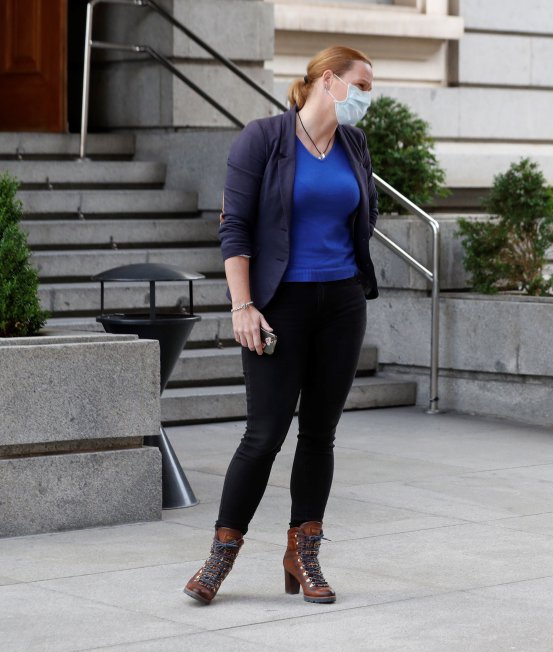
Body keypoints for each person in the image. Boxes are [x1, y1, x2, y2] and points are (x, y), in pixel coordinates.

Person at [183, 46, 379, 605]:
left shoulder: (354, 144)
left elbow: (363, 215)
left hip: (342, 304)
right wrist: (242, 306)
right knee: (263, 435)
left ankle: (304, 553)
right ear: (326, 80)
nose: (369, 95)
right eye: (361, 83)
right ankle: (221, 556)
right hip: (278, 305)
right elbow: (235, 227)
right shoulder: (263, 139)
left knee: (319, 435)